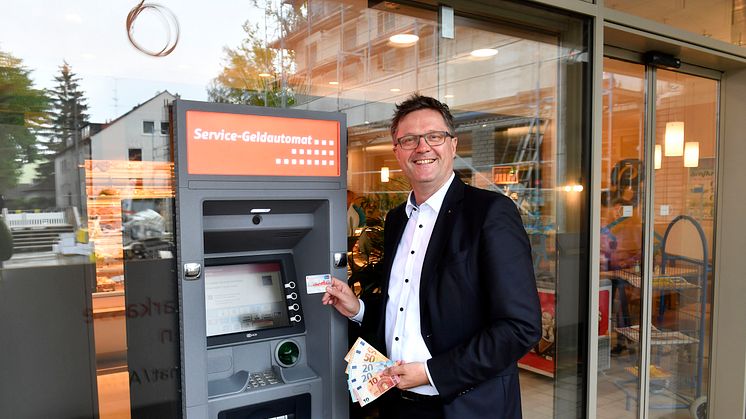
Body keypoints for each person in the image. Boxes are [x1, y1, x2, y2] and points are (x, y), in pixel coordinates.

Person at [323, 94, 541, 419]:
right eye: (409, 139)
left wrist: (431, 372)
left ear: (452, 145)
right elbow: (407, 308)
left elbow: (520, 327)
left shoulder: (490, 213)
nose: (422, 147)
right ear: (397, 151)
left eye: (434, 136)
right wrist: (359, 309)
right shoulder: (398, 218)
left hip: (466, 406)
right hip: (399, 403)